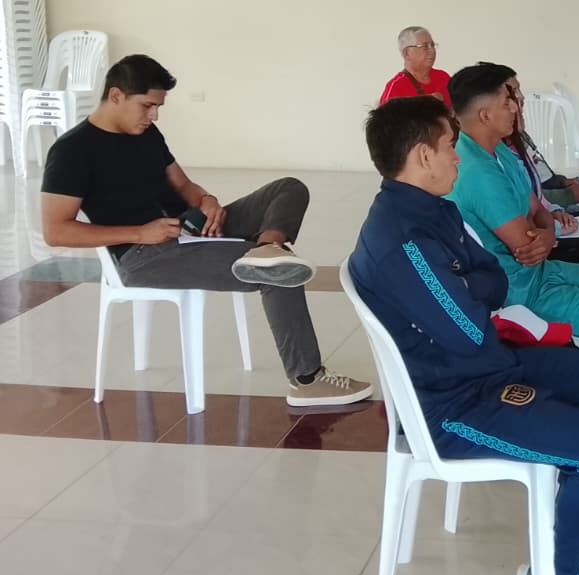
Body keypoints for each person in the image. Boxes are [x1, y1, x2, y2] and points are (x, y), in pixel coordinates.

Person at [349, 96, 579, 575]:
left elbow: (495, 280)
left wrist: (467, 286)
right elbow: (469, 331)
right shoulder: (406, 240)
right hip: (450, 406)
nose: (457, 157)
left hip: (482, 369)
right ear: (423, 156)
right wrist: (471, 288)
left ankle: (570, 526)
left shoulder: (434, 209)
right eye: (449, 146)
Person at [41, 54, 371, 408]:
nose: (154, 116)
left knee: (288, 189)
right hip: (144, 254)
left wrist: (207, 200)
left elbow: (182, 184)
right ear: (116, 96)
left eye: (158, 107)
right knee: (279, 273)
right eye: (148, 106)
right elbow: (56, 232)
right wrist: (140, 233)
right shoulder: (72, 151)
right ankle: (307, 380)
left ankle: (268, 247)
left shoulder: (146, 134)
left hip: (190, 227)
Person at [446, 63, 579, 372]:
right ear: (485, 115)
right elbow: (526, 245)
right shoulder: (477, 172)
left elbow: (537, 209)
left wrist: (547, 231)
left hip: (538, 271)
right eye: (507, 101)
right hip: (517, 290)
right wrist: (543, 231)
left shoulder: (499, 151)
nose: (515, 107)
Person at [493, 65, 579, 274]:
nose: (520, 98)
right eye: (512, 94)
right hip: (551, 204)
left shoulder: (519, 136)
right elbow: (532, 198)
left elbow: (540, 175)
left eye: (519, 90)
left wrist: (563, 181)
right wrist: (567, 197)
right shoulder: (498, 152)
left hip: (551, 201)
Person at [379, 26, 452, 107]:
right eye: (425, 46)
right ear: (407, 53)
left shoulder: (443, 77)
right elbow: (385, 115)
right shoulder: (396, 86)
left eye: (432, 45)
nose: (432, 50)